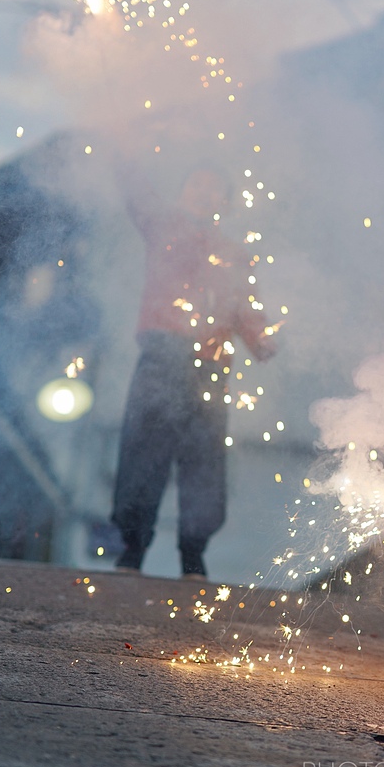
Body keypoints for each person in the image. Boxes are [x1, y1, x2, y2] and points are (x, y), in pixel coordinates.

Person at [111, 169, 275, 579]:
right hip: (163, 351)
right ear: (182, 189)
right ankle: (132, 550)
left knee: (204, 457)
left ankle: (193, 555)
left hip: (211, 363)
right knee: (144, 450)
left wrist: (260, 338)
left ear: (225, 202)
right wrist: (120, 141)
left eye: (214, 187)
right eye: (197, 183)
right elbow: (137, 191)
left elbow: (245, 304)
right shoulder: (163, 223)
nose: (205, 192)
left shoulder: (235, 253)